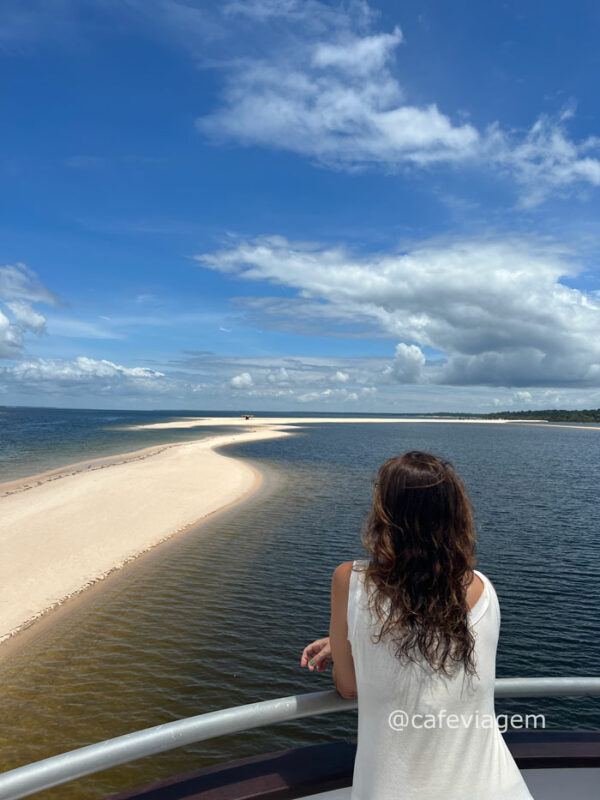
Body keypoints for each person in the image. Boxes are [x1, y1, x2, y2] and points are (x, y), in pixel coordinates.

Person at [301, 451, 533, 799]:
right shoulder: (484, 588)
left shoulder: (350, 581)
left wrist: (349, 642)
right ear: (455, 514)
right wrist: (350, 639)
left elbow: (349, 687)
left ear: (386, 514)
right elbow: (431, 633)